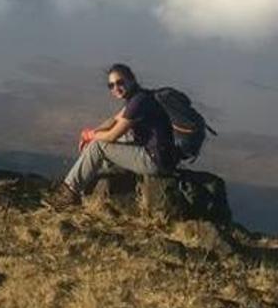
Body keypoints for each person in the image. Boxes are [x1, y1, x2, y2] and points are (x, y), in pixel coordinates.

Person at [45, 63, 178, 208]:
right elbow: (114, 121)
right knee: (110, 139)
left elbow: (111, 136)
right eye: (111, 85)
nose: (116, 88)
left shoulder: (138, 102)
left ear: (131, 80)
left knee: (98, 147)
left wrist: (92, 137)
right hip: (159, 154)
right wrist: (91, 133)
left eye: (120, 82)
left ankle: (69, 192)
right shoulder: (139, 97)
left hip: (154, 160)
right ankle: (89, 176)